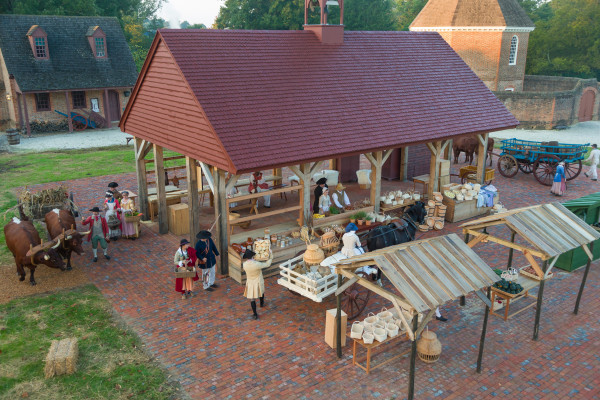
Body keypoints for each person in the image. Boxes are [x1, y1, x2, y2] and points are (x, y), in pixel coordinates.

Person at [242, 249, 272, 319]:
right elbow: (267, 264)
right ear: (253, 256)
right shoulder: (257, 264)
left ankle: (255, 314)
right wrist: (270, 256)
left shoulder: (244, 265)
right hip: (258, 280)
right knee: (261, 292)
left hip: (250, 282)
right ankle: (261, 303)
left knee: (252, 299)